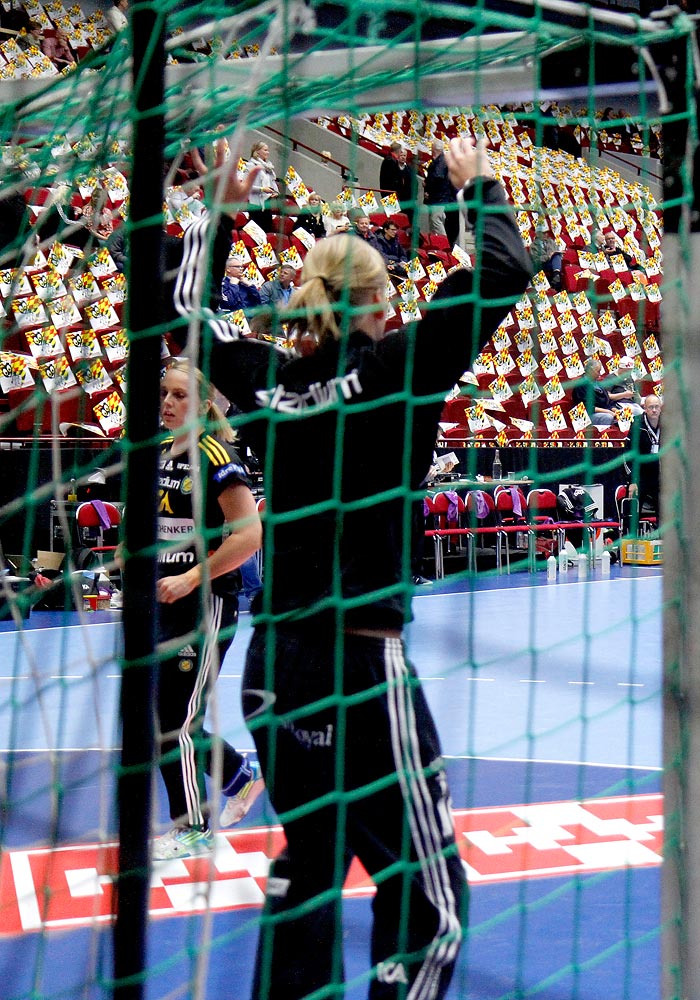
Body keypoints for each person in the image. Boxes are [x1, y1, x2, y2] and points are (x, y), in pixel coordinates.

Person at [184, 136, 534, 999]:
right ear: (379, 304)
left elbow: (179, 312)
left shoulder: (265, 383)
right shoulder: (398, 368)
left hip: (272, 668)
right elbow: (504, 268)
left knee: (307, 873)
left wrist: (220, 211)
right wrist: (476, 185)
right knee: (429, 899)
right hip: (360, 663)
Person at [150, 358, 265, 860]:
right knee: (170, 720)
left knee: (173, 721)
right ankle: (240, 776)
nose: (170, 404)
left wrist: (194, 575)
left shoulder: (216, 457)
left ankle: (193, 827)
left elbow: (249, 534)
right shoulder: (158, 454)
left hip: (205, 606)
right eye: (165, 395)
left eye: (181, 396)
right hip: (163, 605)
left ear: (202, 405)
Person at [626, 394, 662, 533]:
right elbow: (628, 455)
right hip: (640, 474)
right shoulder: (637, 425)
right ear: (645, 409)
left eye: (656, 407)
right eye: (651, 407)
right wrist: (632, 481)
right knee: (634, 509)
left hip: (658, 473)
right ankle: (631, 538)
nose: (654, 410)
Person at [379, 142, 419, 210]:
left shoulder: (392, 161)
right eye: (401, 152)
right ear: (398, 151)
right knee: (392, 216)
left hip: (392, 194)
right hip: (390, 194)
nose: (401, 154)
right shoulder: (390, 161)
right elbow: (392, 179)